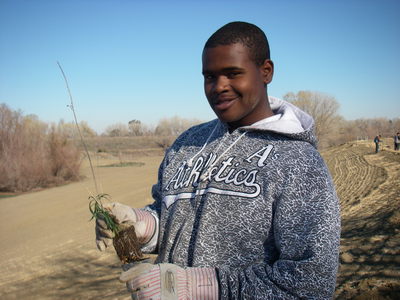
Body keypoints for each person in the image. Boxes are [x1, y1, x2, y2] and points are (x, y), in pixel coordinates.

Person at [96, 21, 340, 299]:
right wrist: (142, 225)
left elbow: (311, 282)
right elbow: (171, 218)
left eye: (232, 73)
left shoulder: (299, 161)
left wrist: (196, 287)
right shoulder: (186, 144)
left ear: (266, 71)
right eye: (209, 77)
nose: (219, 86)